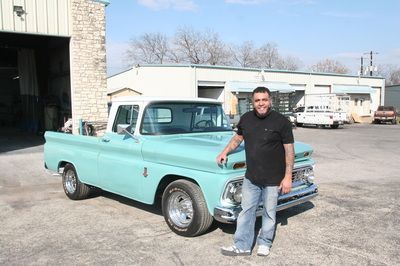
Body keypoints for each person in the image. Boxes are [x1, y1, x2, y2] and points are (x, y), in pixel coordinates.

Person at [217, 86, 294, 256]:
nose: (261, 104)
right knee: (246, 212)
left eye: (264, 100)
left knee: (269, 212)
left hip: (273, 179)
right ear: (253, 102)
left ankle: (265, 242)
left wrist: (288, 177)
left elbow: (289, 150)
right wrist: (224, 152)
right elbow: (238, 138)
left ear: (270, 101)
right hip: (251, 177)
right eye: (257, 100)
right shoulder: (246, 118)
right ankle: (242, 245)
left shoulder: (281, 122)